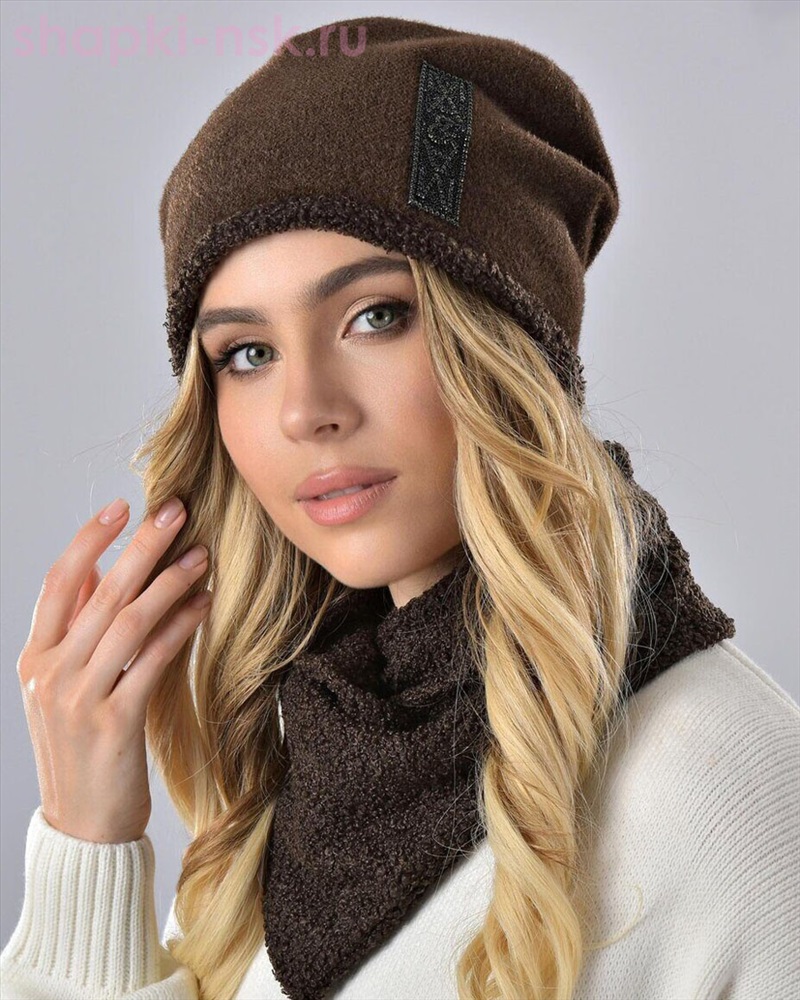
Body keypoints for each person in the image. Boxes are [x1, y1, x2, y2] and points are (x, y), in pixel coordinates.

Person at [2, 15, 799, 1000]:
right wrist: (86, 844)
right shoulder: (305, 767)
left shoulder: (730, 790)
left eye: (375, 316)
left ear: (504, 345)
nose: (306, 410)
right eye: (247, 353)